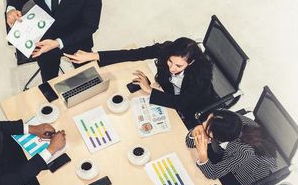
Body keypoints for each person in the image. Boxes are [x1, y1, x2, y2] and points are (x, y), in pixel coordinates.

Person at [64, 37, 215, 127]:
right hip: (169, 94)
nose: (172, 68)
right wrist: (93, 56)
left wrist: (150, 90)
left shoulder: (200, 75)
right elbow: (134, 54)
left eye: (178, 66)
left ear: (191, 62)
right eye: (170, 62)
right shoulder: (166, 49)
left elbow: (181, 103)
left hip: (193, 109)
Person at [5, 0, 102, 81]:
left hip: (76, 37)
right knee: (49, 81)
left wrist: (58, 43)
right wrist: (11, 9)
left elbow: (91, 25)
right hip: (44, 37)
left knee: (88, 80)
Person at [186, 109, 279, 185]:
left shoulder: (244, 151)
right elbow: (189, 143)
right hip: (230, 155)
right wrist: (196, 130)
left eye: (207, 131)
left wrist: (203, 156)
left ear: (219, 139)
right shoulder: (225, 117)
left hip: (243, 179)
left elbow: (213, 173)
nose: (203, 123)